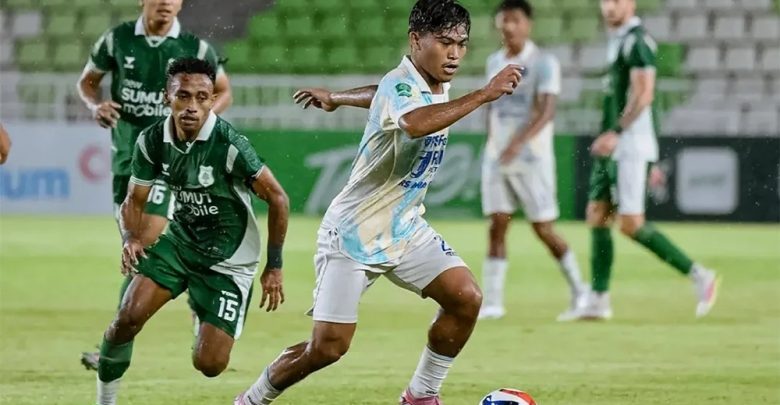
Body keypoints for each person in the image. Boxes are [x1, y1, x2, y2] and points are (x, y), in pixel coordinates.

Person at [234, 1, 523, 404]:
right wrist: (485, 94)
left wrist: (337, 97)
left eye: (461, 44)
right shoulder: (401, 83)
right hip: (354, 233)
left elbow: (381, 98)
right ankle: (250, 400)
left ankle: (421, 395)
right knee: (327, 348)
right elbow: (413, 121)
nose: (454, 54)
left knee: (465, 298)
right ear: (415, 40)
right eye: (444, 43)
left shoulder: (428, 82)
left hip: (405, 227)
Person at [94, 58, 287, 405]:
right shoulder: (152, 140)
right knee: (126, 318)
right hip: (181, 243)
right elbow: (133, 200)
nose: (192, 107)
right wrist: (130, 237)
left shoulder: (228, 143)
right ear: (166, 97)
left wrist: (274, 266)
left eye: (201, 97)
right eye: (183, 96)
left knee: (210, 364)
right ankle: (104, 401)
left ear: (213, 100)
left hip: (230, 259)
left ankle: (202, 302)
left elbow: (278, 198)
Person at [76, 0, 232, 369]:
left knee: (141, 246)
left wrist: (199, 120)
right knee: (137, 251)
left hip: (171, 161)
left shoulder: (196, 48)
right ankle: (196, 298)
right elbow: (87, 82)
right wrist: (95, 106)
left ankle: (113, 347)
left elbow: (224, 91)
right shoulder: (116, 40)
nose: (166, 2)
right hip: (126, 162)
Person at [578, 0, 720, 320]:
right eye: (605, 1)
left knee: (631, 224)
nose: (609, 7)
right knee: (598, 214)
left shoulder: (638, 41)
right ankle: (598, 300)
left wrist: (617, 132)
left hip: (628, 146)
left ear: (631, 3)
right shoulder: (619, 40)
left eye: (617, 1)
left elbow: (645, 95)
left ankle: (700, 275)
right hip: (614, 145)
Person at [478, 0, 588, 322]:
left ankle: (580, 290)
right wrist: (493, 142)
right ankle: (493, 303)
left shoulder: (544, 63)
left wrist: (517, 143)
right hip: (497, 158)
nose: (508, 26)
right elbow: (491, 106)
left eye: (514, 20)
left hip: (532, 160)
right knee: (497, 226)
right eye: (503, 20)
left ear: (528, 24)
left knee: (543, 228)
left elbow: (546, 111)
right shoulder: (494, 62)